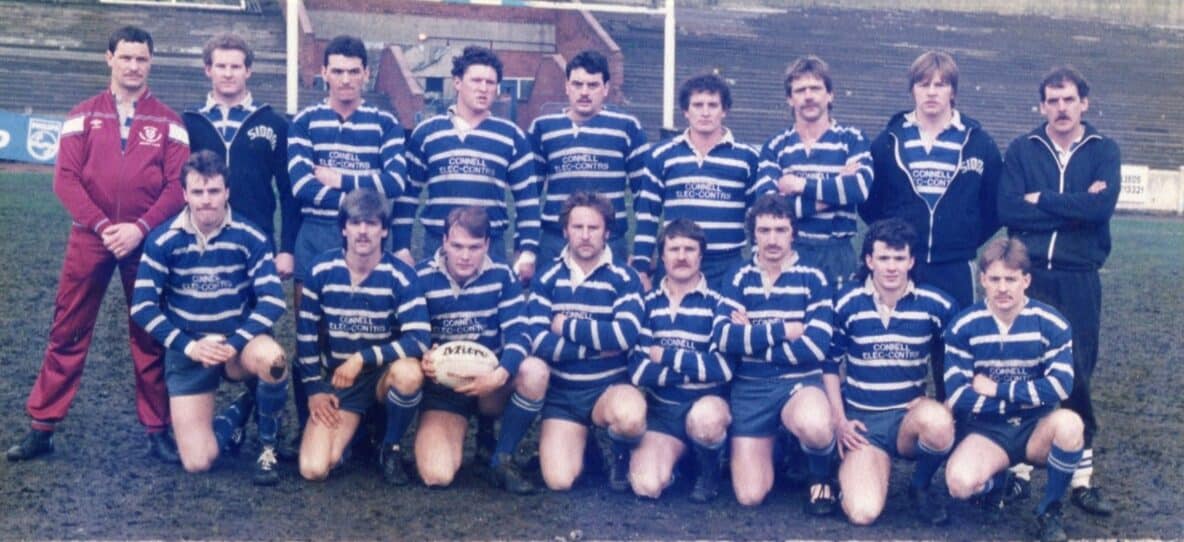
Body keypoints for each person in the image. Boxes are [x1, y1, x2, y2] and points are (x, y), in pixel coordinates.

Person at [7, 26, 189, 464]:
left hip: (145, 243)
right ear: (108, 58)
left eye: (141, 59)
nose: (133, 66)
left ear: (151, 63)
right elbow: (65, 180)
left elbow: (177, 186)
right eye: (125, 57)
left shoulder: (169, 120)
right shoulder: (81, 114)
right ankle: (43, 426)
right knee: (68, 329)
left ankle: (157, 429)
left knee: (150, 333)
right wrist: (106, 225)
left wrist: (140, 228)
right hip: (91, 238)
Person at [997, 66, 1120, 516]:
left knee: (1076, 371)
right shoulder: (1022, 148)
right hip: (1030, 276)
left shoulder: (1104, 149)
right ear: (1042, 105)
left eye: (1069, 99)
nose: (1061, 107)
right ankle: (1018, 472)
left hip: (1078, 276)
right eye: (1052, 100)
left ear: (1084, 102)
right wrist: (1074, 206)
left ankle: (1082, 478)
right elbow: (1008, 208)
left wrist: (1042, 199)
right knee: (1024, 366)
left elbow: (1100, 209)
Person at [129, 150, 290, 485]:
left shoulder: (251, 236)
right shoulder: (162, 240)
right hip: (190, 349)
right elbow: (142, 306)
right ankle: (238, 413)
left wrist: (234, 343)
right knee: (198, 462)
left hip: (238, 345)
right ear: (185, 194)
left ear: (227, 192)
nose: (206, 201)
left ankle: (267, 449)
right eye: (198, 192)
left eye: (214, 191)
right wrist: (191, 347)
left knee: (274, 360)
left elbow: (273, 300)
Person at [858, 50, 1002, 401]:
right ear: (913, 90)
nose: (932, 92)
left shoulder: (978, 141)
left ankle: (956, 429)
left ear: (953, 90)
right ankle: (896, 428)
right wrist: (896, 243)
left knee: (954, 350)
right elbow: (870, 203)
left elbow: (993, 207)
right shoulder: (889, 140)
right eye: (924, 84)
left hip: (953, 267)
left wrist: (960, 237)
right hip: (904, 265)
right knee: (898, 347)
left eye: (941, 84)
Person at [183, 31, 300, 459]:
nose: (229, 73)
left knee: (257, 336)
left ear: (249, 70)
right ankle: (212, 414)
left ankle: (255, 418)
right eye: (221, 65)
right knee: (203, 324)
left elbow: (288, 192)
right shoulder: (190, 122)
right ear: (208, 69)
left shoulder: (272, 123)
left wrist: (285, 246)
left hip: (258, 247)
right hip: (204, 246)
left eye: (237, 66)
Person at [288, 34, 407, 431]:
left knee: (371, 327)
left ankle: (369, 428)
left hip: (366, 240)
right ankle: (311, 420)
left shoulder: (385, 123)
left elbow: (395, 182)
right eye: (336, 71)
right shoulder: (305, 122)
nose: (344, 80)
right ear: (323, 73)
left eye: (353, 72)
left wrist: (340, 178)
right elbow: (301, 186)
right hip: (317, 236)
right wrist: (361, 201)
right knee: (312, 332)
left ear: (366, 75)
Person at [943, 238, 1083, 542]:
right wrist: (1025, 398)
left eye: (1011, 279)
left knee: (1071, 424)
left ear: (1026, 281)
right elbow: (958, 395)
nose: (1003, 288)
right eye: (995, 279)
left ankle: (1050, 510)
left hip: (1036, 429)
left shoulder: (1052, 323)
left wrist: (997, 389)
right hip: (988, 432)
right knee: (959, 484)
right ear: (982, 280)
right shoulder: (963, 325)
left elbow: (1060, 385)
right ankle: (997, 483)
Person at [824, 218, 957, 526]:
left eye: (899, 258)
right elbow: (829, 364)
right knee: (863, 513)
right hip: (863, 426)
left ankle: (920, 485)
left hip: (906, 422)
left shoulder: (936, 304)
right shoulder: (846, 302)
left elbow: (959, 357)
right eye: (884, 258)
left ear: (911, 261)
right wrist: (839, 420)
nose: (892, 267)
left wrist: (942, 402)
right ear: (869, 260)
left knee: (938, 423)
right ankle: (845, 473)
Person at [295, 189, 430, 484]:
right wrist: (314, 390)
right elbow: (305, 338)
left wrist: (362, 357)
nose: (363, 231)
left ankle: (389, 445)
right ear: (344, 228)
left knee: (409, 374)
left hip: (382, 376)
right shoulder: (320, 270)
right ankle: (357, 432)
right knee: (315, 468)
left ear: (384, 230)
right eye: (356, 223)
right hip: (343, 381)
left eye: (371, 224)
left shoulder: (402, 275)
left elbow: (420, 338)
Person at [712, 194, 836, 513]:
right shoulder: (738, 276)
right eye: (764, 230)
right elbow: (724, 337)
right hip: (751, 389)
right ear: (753, 233)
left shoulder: (814, 278)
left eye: (780, 230)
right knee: (750, 495)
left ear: (793, 232)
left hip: (798, 384)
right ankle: (782, 447)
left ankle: (820, 476)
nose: (772, 239)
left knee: (816, 425)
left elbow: (815, 346)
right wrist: (782, 329)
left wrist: (750, 335)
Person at [413, 206, 549, 494]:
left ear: (487, 244)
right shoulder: (420, 276)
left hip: (490, 385)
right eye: (458, 246)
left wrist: (499, 375)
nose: (465, 256)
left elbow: (520, 333)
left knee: (534, 372)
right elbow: (408, 332)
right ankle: (465, 435)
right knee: (437, 476)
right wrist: (421, 357)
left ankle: (501, 456)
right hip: (445, 389)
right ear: (444, 241)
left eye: (474, 247)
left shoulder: (502, 275)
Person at [527, 192, 647, 492]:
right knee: (559, 481)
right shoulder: (547, 276)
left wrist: (566, 325)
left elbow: (624, 335)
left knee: (630, 418)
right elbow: (538, 340)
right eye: (577, 227)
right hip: (563, 396)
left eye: (593, 228)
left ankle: (615, 448)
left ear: (607, 232)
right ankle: (588, 447)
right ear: (565, 230)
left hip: (607, 389)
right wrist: (595, 344)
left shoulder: (624, 277)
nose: (584, 236)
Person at [395, 46, 539, 281]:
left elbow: (528, 201)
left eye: (491, 83)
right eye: (476, 80)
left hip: (489, 247)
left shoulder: (511, 136)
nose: (484, 88)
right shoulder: (427, 133)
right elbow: (407, 197)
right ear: (458, 82)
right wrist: (401, 247)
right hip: (438, 245)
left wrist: (528, 251)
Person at [627, 219, 732, 502]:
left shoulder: (719, 303)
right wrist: (694, 367)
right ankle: (679, 462)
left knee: (706, 420)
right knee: (646, 486)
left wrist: (666, 356)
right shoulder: (648, 303)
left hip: (705, 404)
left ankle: (709, 468)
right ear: (662, 256)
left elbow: (721, 369)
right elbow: (638, 370)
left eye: (689, 249)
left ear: (701, 255)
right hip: (663, 413)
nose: (682, 256)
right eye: (674, 249)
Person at [634, 74, 772, 290]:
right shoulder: (661, 155)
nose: (705, 112)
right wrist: (641, 268)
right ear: (685, 111)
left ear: (724, 110)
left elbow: (756, 218)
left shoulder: (747, 158)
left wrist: (758, 264)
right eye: (698, 105)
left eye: (713, 105)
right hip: (676, 262)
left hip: (726, 265)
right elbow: (647, 216)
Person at [759, 55, 872, 292]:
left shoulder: (852, 139)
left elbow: (858, 189)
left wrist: (799, 185)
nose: (808, 96)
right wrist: (834, 190)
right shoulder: (776, 145)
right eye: (800, 90)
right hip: (790, 251)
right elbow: (768, 207)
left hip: (837, 254)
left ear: (830, 95)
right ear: (790, 99)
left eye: (815, 88)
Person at [528, 49, 649, 266]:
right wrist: (525, 248)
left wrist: (642, 252)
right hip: (556, 240)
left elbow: (644, 198)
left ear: (605, 89)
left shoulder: (627, 128)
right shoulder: (543, 127)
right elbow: (528, 196)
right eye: (577, 84)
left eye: (592, 85)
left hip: (610, 240)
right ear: (566, 86)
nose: (584, 92)